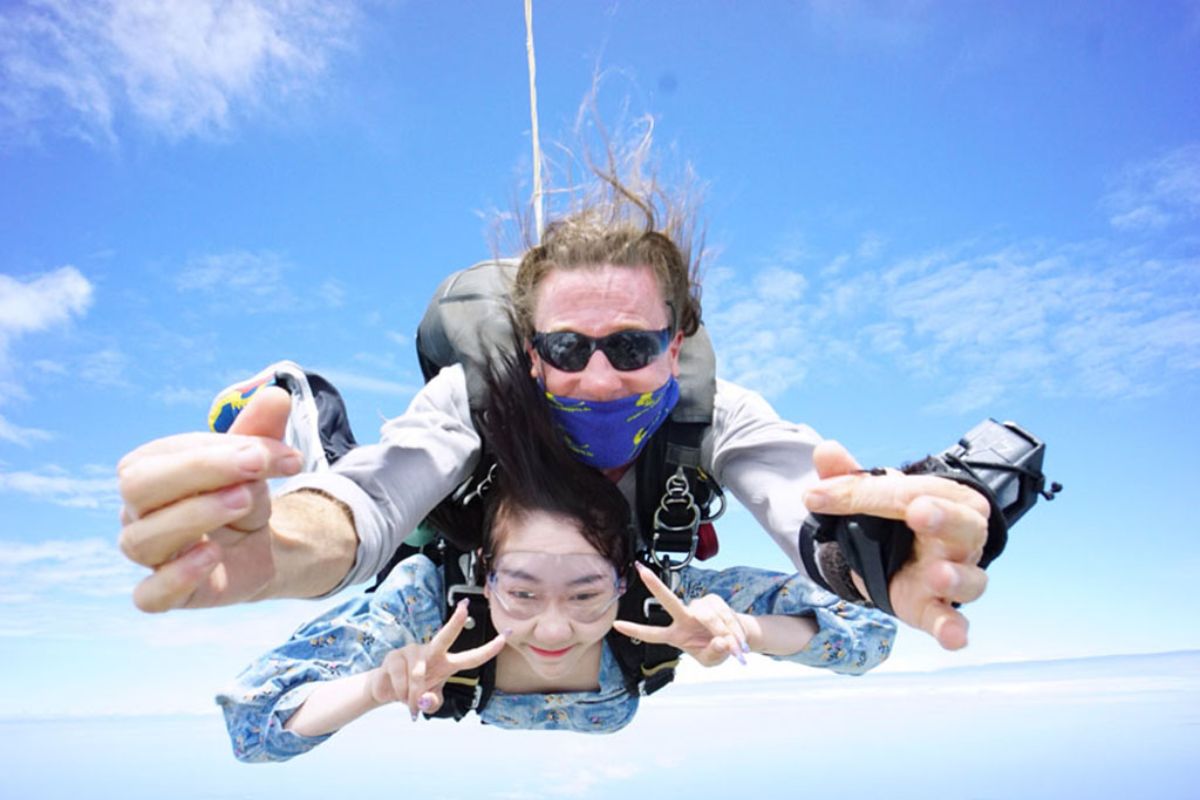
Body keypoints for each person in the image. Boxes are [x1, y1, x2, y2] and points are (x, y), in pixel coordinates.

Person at [117, 133, 991, 650]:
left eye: (634, 345)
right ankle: (302, 402)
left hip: (620, 555)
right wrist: (285, 550)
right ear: (531, 355)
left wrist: (866, 552)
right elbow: (373, 499)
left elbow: (795, 487)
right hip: (464, 535)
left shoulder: (715, 413)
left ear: (676, 344)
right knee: (390, 524)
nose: (599, 377)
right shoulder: (478, 395)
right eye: (567, 347)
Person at [217, 352, 895, 761]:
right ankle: (298, 394)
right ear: (484, 574)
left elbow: (872, 627)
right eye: (519, 591)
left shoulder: (665, 599)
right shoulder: (430, 603)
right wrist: (375, 685)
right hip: (442, 540)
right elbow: (251, 725)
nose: (551, 627)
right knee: (369, 499)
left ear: (625, 577)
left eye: (584, 593)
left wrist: (746, 630)